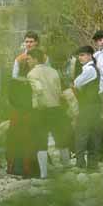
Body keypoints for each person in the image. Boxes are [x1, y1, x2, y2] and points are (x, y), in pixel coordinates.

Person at [26, 48, 70, 178]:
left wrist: (39, 105)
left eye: (28, 59)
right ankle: (67, 167)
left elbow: (38, 90)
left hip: (42, 110)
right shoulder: (54, 71)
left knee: (41, 142)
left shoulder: (31, 74)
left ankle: (43, 174)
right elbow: (59, 90)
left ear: (35, 59)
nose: (27, 61)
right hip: (56, 108)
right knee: (61, 138)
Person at [7, 32, 45, 177]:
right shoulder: (19, 59)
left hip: (38, 102)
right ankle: (18, 168)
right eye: (26, 41)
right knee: (18, 134)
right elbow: (14, 79)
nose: (28, 44)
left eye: (31, 41)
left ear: (37, 43)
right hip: (22, 101)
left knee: (35, 135)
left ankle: (36, 168)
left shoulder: (44, 58)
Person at [72, 46, 102, 169]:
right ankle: (92, 164)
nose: (80, 58)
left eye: (83, 55)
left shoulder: (89, 69)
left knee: (82, 133)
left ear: (90, 55)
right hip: (94, 105)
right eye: (79, 55)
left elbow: (76, 83)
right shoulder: (89, 68)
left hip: (88, 105)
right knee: (93, 134)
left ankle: (80, 163)